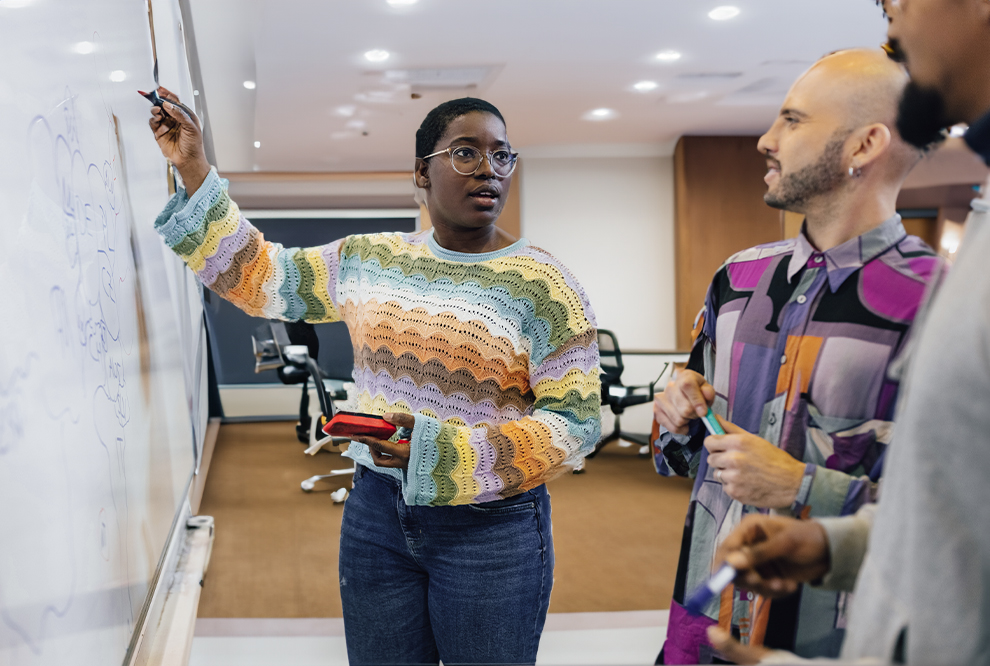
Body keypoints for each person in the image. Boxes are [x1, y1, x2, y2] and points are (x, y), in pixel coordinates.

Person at [147, 92, 602, 664]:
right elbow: (263, 277)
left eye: (502, 155)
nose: (489, 169)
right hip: (376, 516)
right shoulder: (372, 258)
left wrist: (440, 451)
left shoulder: (546, 287)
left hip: (491, 528)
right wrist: (193, 168)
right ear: (421, 171)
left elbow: (576, 423)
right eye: (465, 152)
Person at [705, 0, 990, 663]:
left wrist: (808, 491)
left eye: (900, 2)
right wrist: (834, 544)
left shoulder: (932, 290)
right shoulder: (738, 278)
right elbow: (951, 499)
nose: (893, 27)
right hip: (719, 604)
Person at [650, 48, 943, 663]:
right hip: (701, 615)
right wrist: (674, 411)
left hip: (832, 637)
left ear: (864, 146)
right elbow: (680, 455)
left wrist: (803, 486)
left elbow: (956, 517)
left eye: (792, 120)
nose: (765, 139)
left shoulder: (938, 303)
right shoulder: (737, 280)